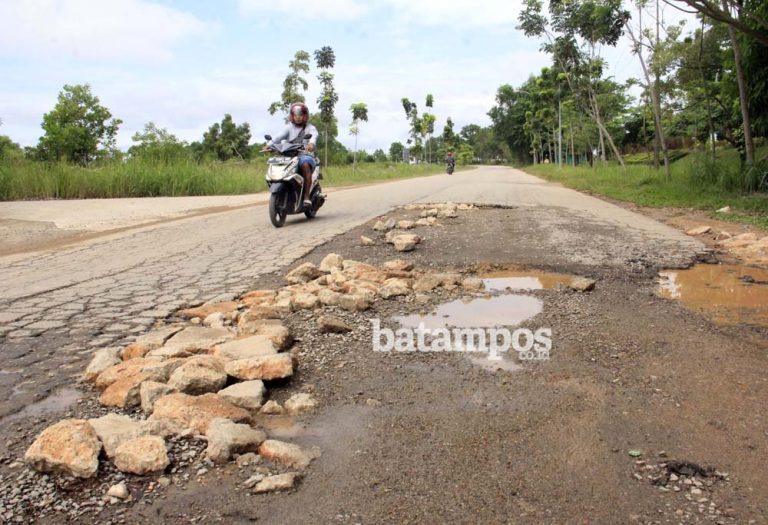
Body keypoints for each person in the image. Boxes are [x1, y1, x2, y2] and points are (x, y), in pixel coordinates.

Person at [264, 102, 318, 208]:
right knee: (276, 164)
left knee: (305, 165)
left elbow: (314, 137)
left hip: (305, 155)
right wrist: (269, 145)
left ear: (305, 116)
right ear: (292, 116)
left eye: (300, 115)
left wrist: (311, 144)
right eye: (295, 115)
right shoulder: (288, 128)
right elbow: (278, 137)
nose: (298, 118)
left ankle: (306, 197)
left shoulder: (310, 128)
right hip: (289, 155)